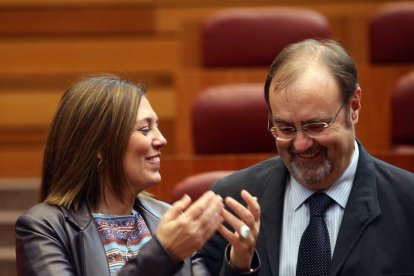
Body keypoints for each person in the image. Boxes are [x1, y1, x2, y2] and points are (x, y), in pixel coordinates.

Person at [200, 39, 414, 276]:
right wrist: (238, 268)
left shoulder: (407, 203)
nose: (301, 144)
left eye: (316, 125)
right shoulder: (231, 202)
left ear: (353, 106)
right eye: (286, 128)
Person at [15, 75, 261, 276]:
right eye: (145, 129)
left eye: (157, 126)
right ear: (99, 147)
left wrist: (238, 265)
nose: (162, 140)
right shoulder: (43, 227)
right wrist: (163, 254)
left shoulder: (170, 219)